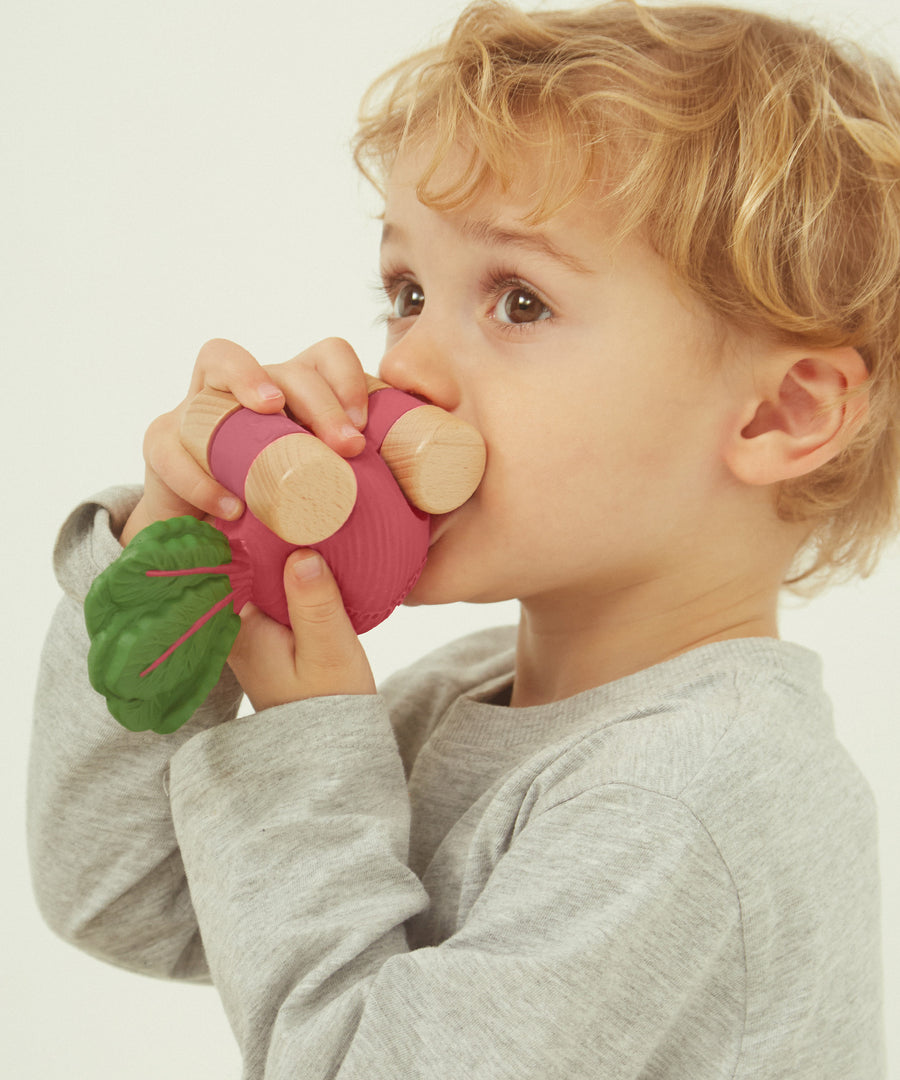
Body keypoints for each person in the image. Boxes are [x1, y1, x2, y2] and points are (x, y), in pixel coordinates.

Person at [28, 1, 897, 1076]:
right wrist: (169, 564)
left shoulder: (692, 791)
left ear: (781, 415)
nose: (407, 370)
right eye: (407, 293)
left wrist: (309, 742)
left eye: (519, 301)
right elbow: (125, 893)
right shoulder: (463, 703)